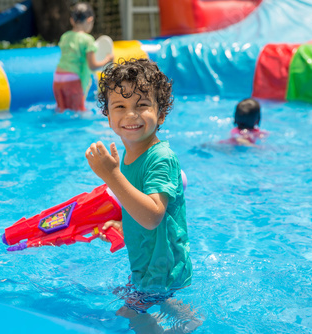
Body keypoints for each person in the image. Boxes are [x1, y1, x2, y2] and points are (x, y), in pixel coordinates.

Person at [85, 59, 193, 322]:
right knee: (160, 305)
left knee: (129, 315)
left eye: (142, 105)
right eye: (120, 106)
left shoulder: (160, 158)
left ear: (161, 113)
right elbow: (139, 206)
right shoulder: (130, 154)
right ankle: (188, 322)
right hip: (149, 262)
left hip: (162, 267)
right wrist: (122, 223)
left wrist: (111, 176)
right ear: (108, 116)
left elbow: (153, 214)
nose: (131, 115)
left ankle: (188, 323)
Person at [54, 2, 114, 112]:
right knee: (79, 111)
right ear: (90, 20)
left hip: (57, 77)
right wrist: (107, 60)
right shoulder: (87, 39)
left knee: (61, 110)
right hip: (72, 79)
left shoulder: (65, 36)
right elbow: (92, 66)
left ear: (72, 20)